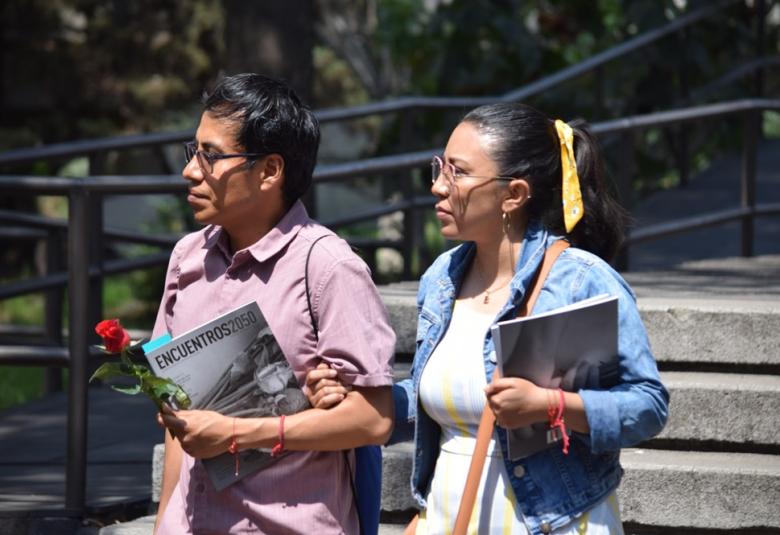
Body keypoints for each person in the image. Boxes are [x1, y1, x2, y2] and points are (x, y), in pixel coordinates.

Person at [307, 102, 669, 534]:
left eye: (457, 173)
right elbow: (436, 397)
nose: (439, 186)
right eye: (439, 167)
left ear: (513, 195)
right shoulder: (441, 278)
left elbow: (647, 405)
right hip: (447, 515)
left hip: (550, 521)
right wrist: (360, 396)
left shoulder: (581, 281)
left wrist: (551, 406)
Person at [152, 73, 396, 534]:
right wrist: (164, 522)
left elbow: (375, 418)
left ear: (269, 171)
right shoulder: (187, 257)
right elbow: (176, 424)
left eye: (211, 156)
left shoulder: (326, 266)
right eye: (193, 151)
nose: (190, 170)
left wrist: (239, 434)